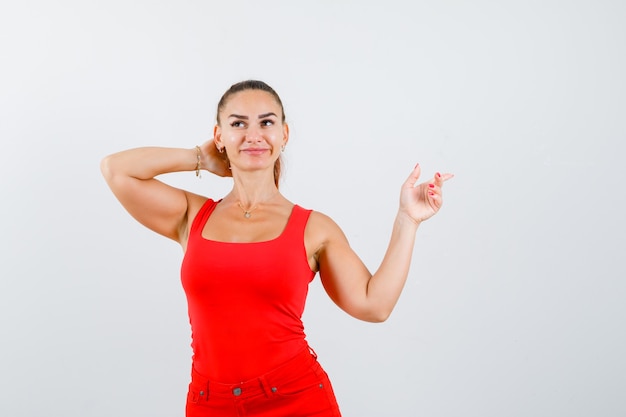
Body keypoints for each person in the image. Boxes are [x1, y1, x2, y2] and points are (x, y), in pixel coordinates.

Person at [100, 80, 453, 417]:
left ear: (283, 134)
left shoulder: (313, 228)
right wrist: (198, 158)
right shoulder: (192, 217)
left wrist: (408, 219)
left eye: (266, 122)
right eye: (238, 123)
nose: (253, 135)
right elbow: (116, 170)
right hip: (210, 405)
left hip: (294, 399)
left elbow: (373, 305)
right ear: (218, 136)